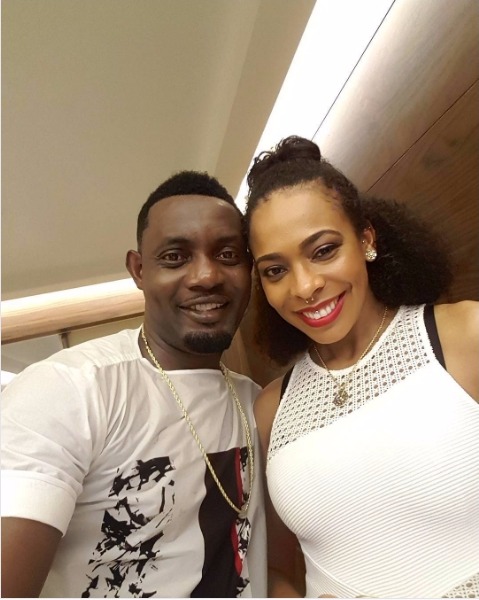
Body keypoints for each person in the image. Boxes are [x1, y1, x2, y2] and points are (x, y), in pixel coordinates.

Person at [1, 171, 267, 598]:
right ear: (139, 270)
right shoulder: (71, 390)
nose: (206, 276)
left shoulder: (258, 404)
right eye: (175, 257)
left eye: (228, 254)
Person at [244, 135, 479, 599]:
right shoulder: (270, 409)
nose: (305, 286)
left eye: (323, 250)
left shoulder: (465, 336)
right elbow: (280, 571)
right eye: (275, 270)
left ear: (366, 239)